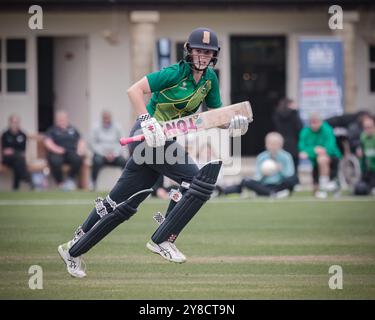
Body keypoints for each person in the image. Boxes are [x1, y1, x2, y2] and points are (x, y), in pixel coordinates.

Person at [57, 27, 250, 278]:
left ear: (214, 55)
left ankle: (72, 249)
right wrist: (147, 119)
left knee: (121, 203)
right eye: (199, 51)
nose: (203, 56)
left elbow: (214, 116)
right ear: (189, 51)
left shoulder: (209, 80)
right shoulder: (173, 73)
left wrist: (232, 123)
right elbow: (134, 90)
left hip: (162, 140)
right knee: (196, 180)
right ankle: (163, 238)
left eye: (208, 52)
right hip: (147, 136)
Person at [223, 132, 298, 198]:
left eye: (275, 144)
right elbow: (257, 177)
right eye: (271, 144)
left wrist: (280, 169)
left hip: (280, 185)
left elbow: (290, 174)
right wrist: (264, 173)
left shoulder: (286, 156)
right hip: (264, 185)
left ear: (281, 145)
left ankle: (266, 193)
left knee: (294, 179)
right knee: (246, 181)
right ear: (266, 144)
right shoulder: (261, 157)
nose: (273, 146)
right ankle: (272, 194)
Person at [298, 112, 342, 198]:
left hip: (332, 158)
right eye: (312, 122)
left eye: (316, 122)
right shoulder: (305, 132)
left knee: (322, 159)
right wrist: (314, 150)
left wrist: (320, 151)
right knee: (315, 193)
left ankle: (324, 187)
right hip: (315, 161)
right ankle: (324, 186)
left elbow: (330, 147)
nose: (314, 125)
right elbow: (302, 148)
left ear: (321, 122)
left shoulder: (327, 130)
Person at [44, 110, 86, 191]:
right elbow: (47, 141)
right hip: (57, 152)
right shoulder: (52, 130)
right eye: (60, 119)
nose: (62, 121)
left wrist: (80, 150)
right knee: (55, 161)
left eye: (63, 119)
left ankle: (70, 178)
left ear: (67, 119)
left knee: (77, 159)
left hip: (71, 151)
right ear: (57, 120)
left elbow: (81, 140)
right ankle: (60, 183)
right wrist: (56, 149)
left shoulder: (73, 129)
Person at [90, 110, 127, 190]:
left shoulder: (118, 127)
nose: (106, 120)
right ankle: (93, 183)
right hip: (101, 155)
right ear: (102, 118)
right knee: (96, 161)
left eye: (108, 118)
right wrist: (104, 153)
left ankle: (125, 183)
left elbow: (121, 142)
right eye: (104, 118)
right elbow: (93, 143)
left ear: (111, 118)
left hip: (115, 155)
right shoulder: (95, 127)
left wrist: (114, 153)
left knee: (124, 162)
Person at [1, 115, 32, 190]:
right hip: (7, 159)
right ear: (10, 123)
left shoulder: (22, 134)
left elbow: (23, 151)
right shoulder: (5, 134)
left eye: (16, 122)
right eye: (13, 122)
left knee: (17, 161)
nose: (15, 124)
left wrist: (13, 151)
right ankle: (27, 178)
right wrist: (13, 152)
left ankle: (16, 187)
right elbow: (5, 151)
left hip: (18, 159)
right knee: (18, 159)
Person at [272, 98, 303, 172]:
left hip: (280, 142)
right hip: (293, 142)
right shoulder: (294, 114)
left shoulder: (276, 114)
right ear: (289, 105)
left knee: (281, 164)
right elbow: (299, 128)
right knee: (294, 164)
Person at [354, 115, 375, 195]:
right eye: (366, 127)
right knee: (359, 189)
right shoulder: (363, 137)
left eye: (370, 127)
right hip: (368, 171)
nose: (368, 129)